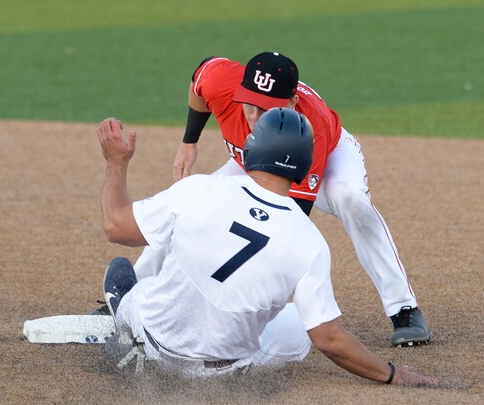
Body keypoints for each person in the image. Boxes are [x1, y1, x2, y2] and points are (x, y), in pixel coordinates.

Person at [95, 107, 439, 386]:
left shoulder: (199, 189)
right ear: (305, 167)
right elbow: (329, 339)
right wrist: (392, 373)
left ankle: (128, 320)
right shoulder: (308, 239)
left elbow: (115, 225)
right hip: (229, 370)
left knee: (125, 276)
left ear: (251, 149)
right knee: (298, 324)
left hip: (157, 343)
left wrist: (116, 162)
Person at [164, 51, 431, 347]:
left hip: (322, 156)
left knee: (349, 198)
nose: (254, 117)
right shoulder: (222, 83)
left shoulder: (308, 128)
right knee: (187, 204)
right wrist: (189, 142)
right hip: (254, 159)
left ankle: (403, 308)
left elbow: (289, 216)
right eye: (250, 105)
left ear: (291, 104)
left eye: (266, 110)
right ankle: (132, 290)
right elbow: (200, 79)